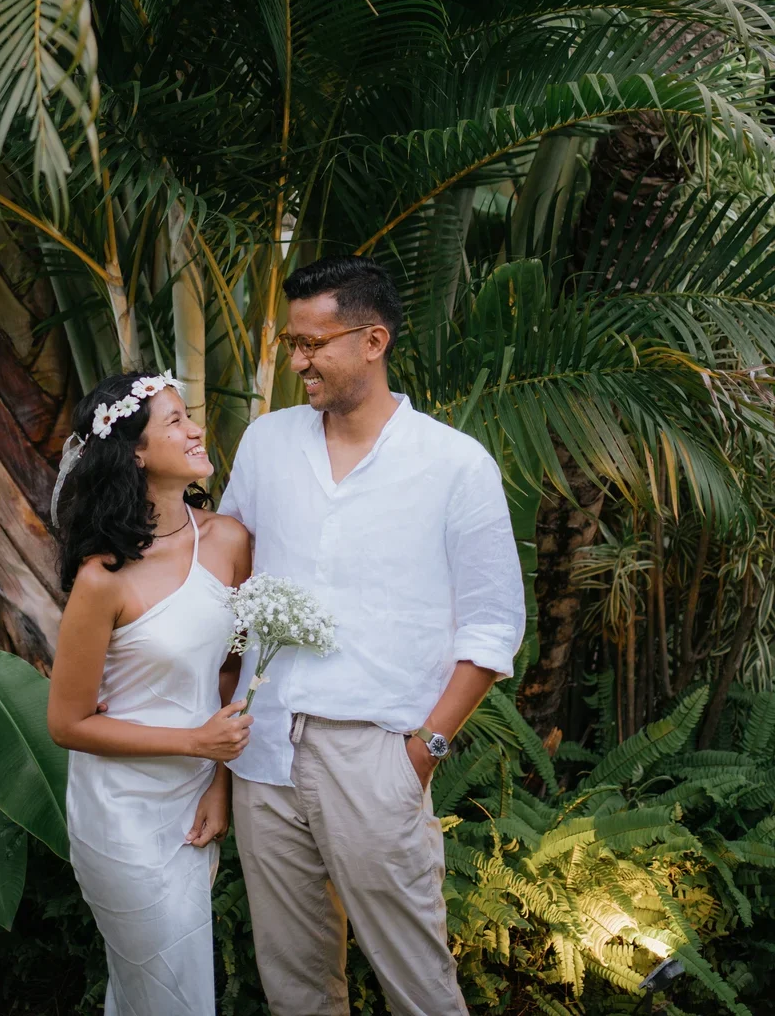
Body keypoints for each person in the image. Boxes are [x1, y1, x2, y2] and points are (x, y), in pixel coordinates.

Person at [220, 257, 527, 1016]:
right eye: (292, 344)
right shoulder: (266, 444)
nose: (297, 363)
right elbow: (228, 568)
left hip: (377, 755)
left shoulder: (455, 466)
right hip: (263, 754)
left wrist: (424, 752)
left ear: (373, 340)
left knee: (418, 988)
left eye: (312, 344)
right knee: (294, 988)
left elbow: (493, 628)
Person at [46, 369, 252, 1016]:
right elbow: (67, 722)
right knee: (169, 986)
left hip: (191, 805)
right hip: (121, 814)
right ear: (135, 451)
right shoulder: (102, 578)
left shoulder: (229, 542)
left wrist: (216, 778)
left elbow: (229, 674)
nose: (195, 429)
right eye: (174, 421)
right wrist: (196, 742)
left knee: (160, 986)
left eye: (187, 416)